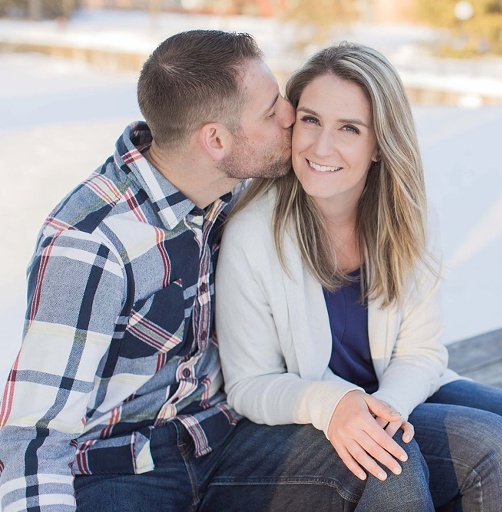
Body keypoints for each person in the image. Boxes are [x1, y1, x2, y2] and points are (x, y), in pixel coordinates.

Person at [0, 30, 432, 512]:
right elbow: (32, 436)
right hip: (119, 472)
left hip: (223, 443)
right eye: (272, 111)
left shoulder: (222, 194)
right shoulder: (90, 244)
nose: (291, 117)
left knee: (389, 465)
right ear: (216, 140)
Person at [216, 41, 502, 511]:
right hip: (308, 418)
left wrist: (388, 408)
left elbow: (421, 351)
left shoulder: (407, 218)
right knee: (494, 450)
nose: (321, 146)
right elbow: (249, 384)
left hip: (395, 393)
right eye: (311, 120)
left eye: (349, 128)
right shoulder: (254, 231)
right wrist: (332, 406)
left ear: (380, 145)